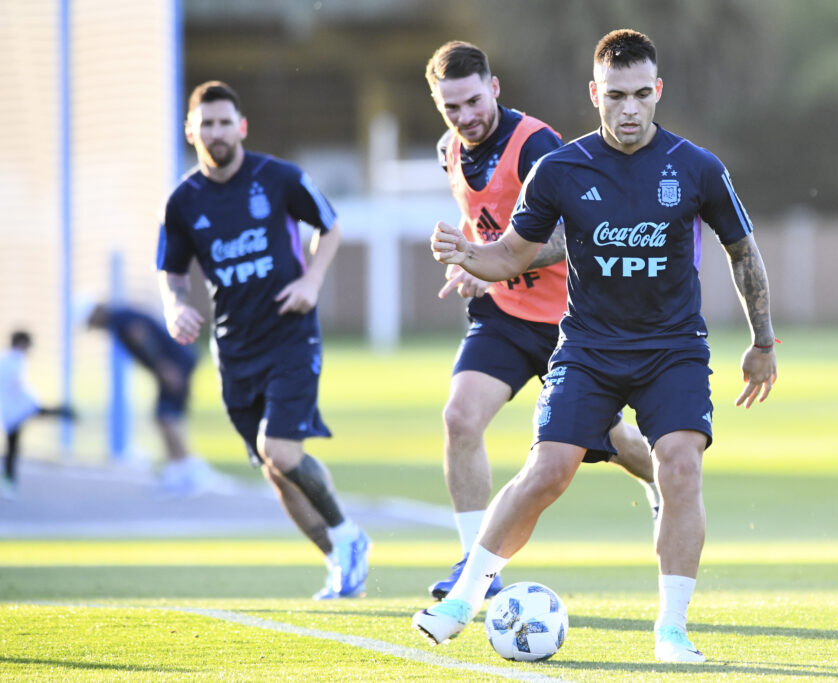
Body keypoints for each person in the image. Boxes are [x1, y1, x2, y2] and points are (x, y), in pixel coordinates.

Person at [414, 30, 778, 664]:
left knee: (680, 464)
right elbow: (515, 253)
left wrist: (763, 341)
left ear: (658, 90)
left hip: (673, 348)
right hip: (587, 346)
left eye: (642, 94)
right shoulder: (560, 168)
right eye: (616, 95)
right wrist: (469, 255)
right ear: (595, 95)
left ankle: (671, 629)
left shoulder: (697, 167)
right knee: (547, 470)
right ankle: (464, 598)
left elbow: (742, 251)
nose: (630, 108)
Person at [423, 41, 661, 601]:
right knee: (459, 419)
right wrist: (470, 258)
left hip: (567, 323)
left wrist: (496, 262)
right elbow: (478, 216)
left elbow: (572, 234)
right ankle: (475, 568)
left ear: (495, 88)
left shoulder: (538, 146)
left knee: (610, 437)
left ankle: (663, 479)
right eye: (450, 108)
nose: (465, 117)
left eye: (474, 101)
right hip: (504, 316)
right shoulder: (447, 150)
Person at [155, 81, 369, 599]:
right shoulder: (184, 201)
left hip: (290, 336)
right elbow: (172, 271)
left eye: (225, 121)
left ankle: (348, 534)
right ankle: (341, 563)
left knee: (282, 449)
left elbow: (331, 227)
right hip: (233, 350)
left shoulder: (278, 178)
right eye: (206, 123)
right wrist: (175, 306)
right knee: (274, 471)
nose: (216, 131)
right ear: (191, 131)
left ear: (241, 127)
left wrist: (311, 281)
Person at [83, 302, 221, 497]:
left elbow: (140, 335)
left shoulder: (121, 319)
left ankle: (191, 471)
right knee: (165, 416)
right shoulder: (120, 317)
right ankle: (178, 469)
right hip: (175, 363)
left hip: (175, 364)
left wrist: (163, 366)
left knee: (166, 416)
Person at [0, 331, 75, 498]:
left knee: (13, 446)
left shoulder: (7, 359)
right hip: (15, 408)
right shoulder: (14, 361)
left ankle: (8, 481)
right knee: (13, 446)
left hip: (12, 408)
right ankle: (8, 481)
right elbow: (15, 385)